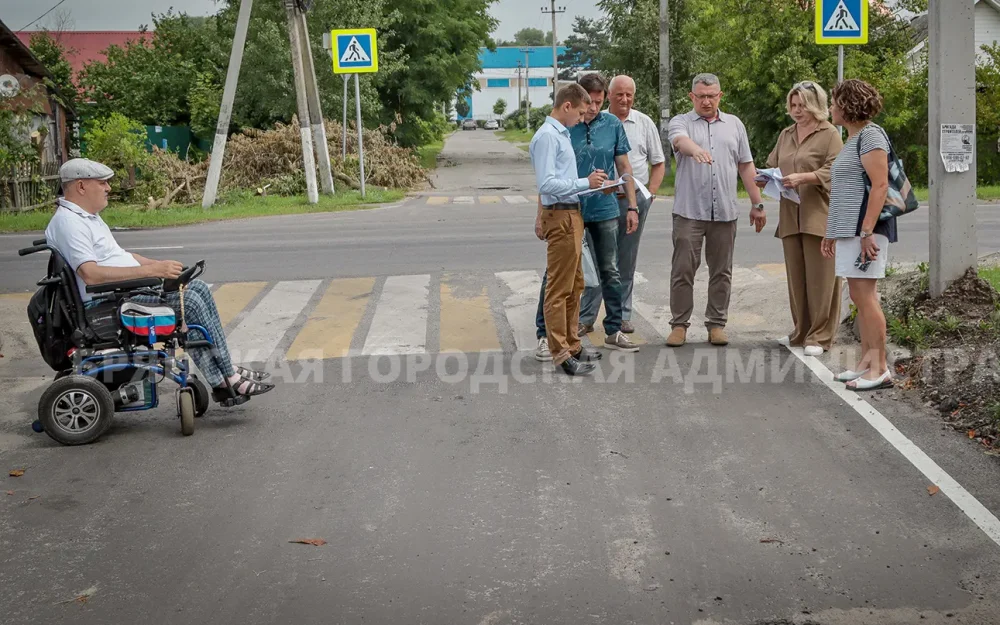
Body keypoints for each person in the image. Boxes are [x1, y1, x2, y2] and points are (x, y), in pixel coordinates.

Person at [44, 158, 275, 401]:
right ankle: (226, 378)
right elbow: (90, 273)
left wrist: (157, 265)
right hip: (107, 304)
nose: (108, 188)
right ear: (81, 186)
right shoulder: (70, 223)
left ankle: (225, 373)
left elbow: (121, 256)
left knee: (197, 288)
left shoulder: (87, 217)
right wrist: (152, 273)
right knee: (192, 303)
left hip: (121, 292)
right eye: (102, 183)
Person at [533, 73, 640, 360]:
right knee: (557, 278)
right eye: (587, 104)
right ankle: (547, 337)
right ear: (574, 103)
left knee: (603, 272)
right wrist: (541, 213)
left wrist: (632, 205)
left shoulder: (611, 125)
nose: (590, 110)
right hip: (569, 210)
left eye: (597, 102)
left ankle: (608, 331)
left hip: (600, 209)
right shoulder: (564, 129)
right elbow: (548, 179)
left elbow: (624, 166)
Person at [665, 73, 767, 347]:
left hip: (724, 211)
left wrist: (757, 203)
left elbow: (746, 166)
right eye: (701, 96)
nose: (706, 101)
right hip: (689, 212)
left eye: (712, 96)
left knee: (721, 271)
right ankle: (679, 324)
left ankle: (716, 324)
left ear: (720, 96)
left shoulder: (734, 124)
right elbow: (679, 141)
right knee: (683, 269)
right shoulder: (681, 121)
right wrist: (695, 149)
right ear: (692, 97)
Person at [821, 79, 898, 391]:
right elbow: (844, 193)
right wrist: (832, 233)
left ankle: (879, 368)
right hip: (851, 231)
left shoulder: (871, 136)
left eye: (834, 102)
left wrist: (867, 231)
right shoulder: (853, 140)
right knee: (858, 296)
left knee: (865, 297)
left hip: (867, 231)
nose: (830, 108)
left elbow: (880, 186)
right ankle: (867, 362)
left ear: (847, 106)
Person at [529, 84, 609, 375]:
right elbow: (547, 185)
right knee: (559, 289)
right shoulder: (548, 138)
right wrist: (585, 182)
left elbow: (563, 182)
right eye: (579, 111)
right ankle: (560, 353)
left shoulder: (559, 135)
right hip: (560, 217)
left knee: (575, 285)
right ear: (566, 106)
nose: (581, 118)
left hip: (571, 214)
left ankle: (573, 345)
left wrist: (595, 186)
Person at [760, 81, 844, 356]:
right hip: (790, 214)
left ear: (815, 105)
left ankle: (820, 336)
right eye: (793, 105)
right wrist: (765, 178)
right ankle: (801, 331)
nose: (796, 110)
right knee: (797, 279)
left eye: (802, 105)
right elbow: (774, 162)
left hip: (818, 213)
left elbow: (836, 169)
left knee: (822, 278)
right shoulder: (786, 134)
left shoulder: (829, 133)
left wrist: (806, 177)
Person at [578, 74, 666, 335]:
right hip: (600, 200)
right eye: (619, 95)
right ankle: (586, 317)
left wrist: (647, 194)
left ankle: (623, 315)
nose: (625, 99)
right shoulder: (598, 121)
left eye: (629, 95)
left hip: (634, 201)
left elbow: (658, 162)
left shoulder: (644, 123)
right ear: (609, 96)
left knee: (626, 260)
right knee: (595, 261)